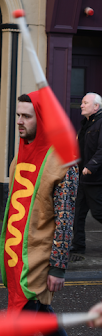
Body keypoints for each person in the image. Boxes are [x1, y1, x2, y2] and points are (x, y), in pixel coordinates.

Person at [0, 92, 85, 336]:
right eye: (18, 115)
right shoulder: (26, 150)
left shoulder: (63, 160)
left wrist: (58, 265)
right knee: (41, 313)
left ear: (43, 120)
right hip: (19, 254)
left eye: (26, 116)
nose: (19, 121)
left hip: (39, 258)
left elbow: (66, 217)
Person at [71, 92, 102, 259]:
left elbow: (101, 150)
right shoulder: (87, 123)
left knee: (98, 213)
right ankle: (78, 246)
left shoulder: (100, 123)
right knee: (77, 213)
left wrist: (90, 166)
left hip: (95, 179)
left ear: (96, 107)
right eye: (81, 102)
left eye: (85, 103)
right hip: (82, 178)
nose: (81, 105)